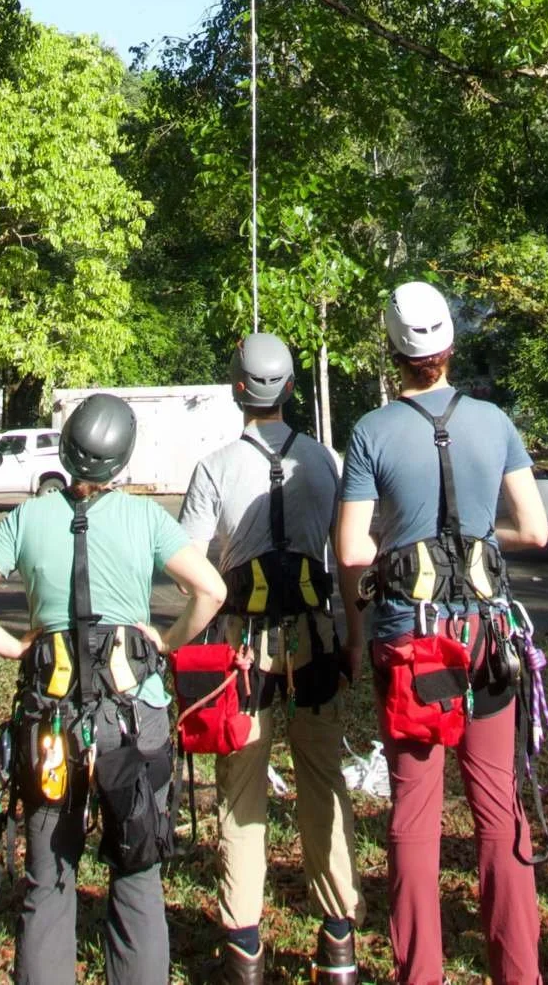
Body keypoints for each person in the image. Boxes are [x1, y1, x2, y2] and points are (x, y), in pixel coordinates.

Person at [0, 393, 226, 985]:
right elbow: (212, 591)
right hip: (132, 722)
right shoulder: (146, 518)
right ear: (122, 461)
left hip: (51, 722)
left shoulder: (27, 518)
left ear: (66, 450)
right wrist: (164, 639)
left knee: (49, 878)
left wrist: (18, 645)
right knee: (138, 874)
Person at [334, 282, 548, 985]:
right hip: (489, 636)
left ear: (393, 352)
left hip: (411, 641)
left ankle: (419, 972)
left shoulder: (371, 430)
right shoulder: (495, 421)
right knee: (499, 808)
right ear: (450, 345)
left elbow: (350, 548)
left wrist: (402, 548)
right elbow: (536, 528)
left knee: (415, 812)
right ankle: (519, 971)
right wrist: (483, 539)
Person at [179, 333, 364, 985]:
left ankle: (244, 946)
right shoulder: (324, 462)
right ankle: (339, 939)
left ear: (237, 388)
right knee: (323, 778)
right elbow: (344, 555)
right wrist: (353, 637)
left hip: (241, 645)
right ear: (291, 388)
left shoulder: (214, 467)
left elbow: (192, 568)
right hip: (315, 636)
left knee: (242, 790)